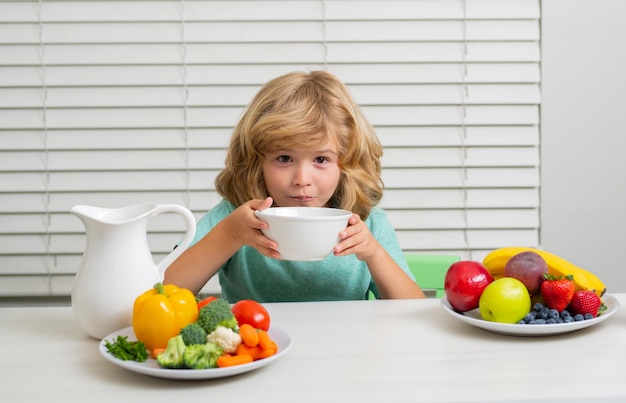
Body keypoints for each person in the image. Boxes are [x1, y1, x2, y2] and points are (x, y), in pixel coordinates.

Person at [164, 70, 425, 302]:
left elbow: (412, 308)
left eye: (321, 159)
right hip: (257, 353)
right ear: (257, 162)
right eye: (284, 158)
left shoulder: (369, 225)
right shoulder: (236, 218)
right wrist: (229, 235)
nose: (302, 178)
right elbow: (163, 292)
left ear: (347, 163)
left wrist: (374, 255)